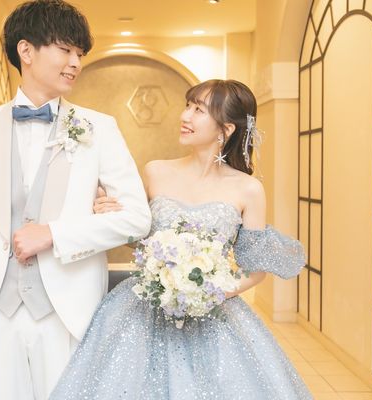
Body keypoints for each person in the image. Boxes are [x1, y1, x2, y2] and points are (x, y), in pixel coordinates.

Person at [50, 79, 313, 399]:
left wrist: (206, 292)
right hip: (143, 310)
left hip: (212, 314)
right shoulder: (155, 171)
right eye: (188, 106)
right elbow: (137, 238)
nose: (185, 116)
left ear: (226, 129)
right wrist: (112, 216)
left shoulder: (248, 189)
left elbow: (254, 270)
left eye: (198, 110)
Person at [0, 1, 151, 399]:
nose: (76, 62)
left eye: (80, 53)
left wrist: (54, 234)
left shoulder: (99, 128)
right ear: (26, 50)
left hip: (68, 308)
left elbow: (137, 219)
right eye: (65, 49)